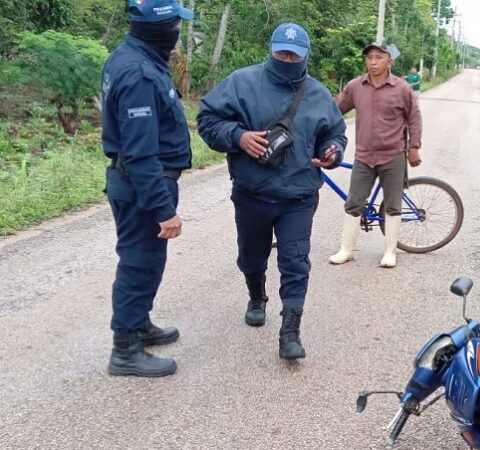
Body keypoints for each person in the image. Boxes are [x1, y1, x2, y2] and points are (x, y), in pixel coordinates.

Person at [197, 23, 347, 360]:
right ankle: (256, 296)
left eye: (294, 54)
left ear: (305, 56)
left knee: (296, 262)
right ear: (271, 49)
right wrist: (238, 136)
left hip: (299, 195)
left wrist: (332, 152)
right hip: (253, 193)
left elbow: (335, 134)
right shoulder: (241, 82)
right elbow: (207, 119)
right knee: (251, 256)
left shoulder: (319, 94)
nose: (288, 58)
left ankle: (290, 331)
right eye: (282, 52)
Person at [100, 0, 194, 377]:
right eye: (173, 24)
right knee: (138, 265)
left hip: (139, 181)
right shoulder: (139, 72)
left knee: (148, 262)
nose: (177, 31)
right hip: (143, 185)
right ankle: (124, 350)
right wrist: (163, 208)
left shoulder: (135, 56)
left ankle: (139, 323)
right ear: (160, 27)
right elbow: (139, 154)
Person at [329, 42, 422, 268]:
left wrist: (414, 147)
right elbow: (334, 111)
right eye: (369, 57)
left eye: (379, 57)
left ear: (389, 60)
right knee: (353, 203)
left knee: (392, 204)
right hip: (364, 156)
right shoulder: (355, 87)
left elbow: (414, 118)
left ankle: (390, 251)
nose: (373, 62)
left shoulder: (402, 88)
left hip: (393, 155)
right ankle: (347, 250)